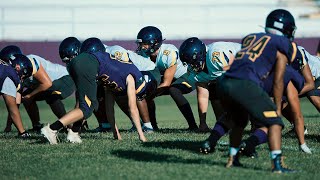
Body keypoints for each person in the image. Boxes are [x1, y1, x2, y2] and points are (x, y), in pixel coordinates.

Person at [41, 37, 147, 144]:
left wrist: (116, 134)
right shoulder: (131, 77)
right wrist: (141, 136)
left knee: (90, 104)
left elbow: (109, 109)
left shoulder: (116, 76)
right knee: (87, 108)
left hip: (78, 63)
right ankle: (52, 129)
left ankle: (74, 133)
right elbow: (133, 108)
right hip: (87, 64)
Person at [80, 37, 159, 133]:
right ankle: (106, 125)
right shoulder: (94, 53)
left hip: (148, 71)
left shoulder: (115, 52)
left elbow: (127, 70)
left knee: (135, 91)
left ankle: (147, 126)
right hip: (133, 73)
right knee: (97, 92)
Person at [1, 45, 76, 133]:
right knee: (25, 98)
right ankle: (36, 125)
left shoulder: (31, 61)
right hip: (49, 84)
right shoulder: (16, 73)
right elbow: (15, 104)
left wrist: (30, 95)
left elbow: (47, 84)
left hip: (64, 78)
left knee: (51, 95)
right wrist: (8, 126)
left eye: (7, 63)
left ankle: (68, 125)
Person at [136, 26, 198, 131]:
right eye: (141, 45)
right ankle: (152, 126)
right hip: (168, 78)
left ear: (155, 43)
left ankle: (193, 126)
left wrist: (149, 95)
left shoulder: (168, 52)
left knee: (173, 90)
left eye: (145, 44)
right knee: (145, 91)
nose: (142, 48)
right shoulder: (143, 55)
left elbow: (167, 83)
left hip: (186, 76)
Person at [0, 55, 30, 138]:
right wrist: (22, 132)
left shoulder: (4, 67)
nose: (23, 78)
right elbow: (13, 108)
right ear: (17, 67)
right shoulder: (8, 76)